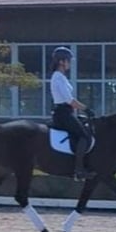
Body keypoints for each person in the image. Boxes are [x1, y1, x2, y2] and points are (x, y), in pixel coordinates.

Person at [49, 46, 93, 181]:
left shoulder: (61, 77)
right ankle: (78, 170)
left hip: (68, 112)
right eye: (68, 61)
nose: (69, 63)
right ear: (62, 61)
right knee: (84, 136)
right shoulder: (58, 77)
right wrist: (85, 109)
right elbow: (69, 100)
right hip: (63, 113)